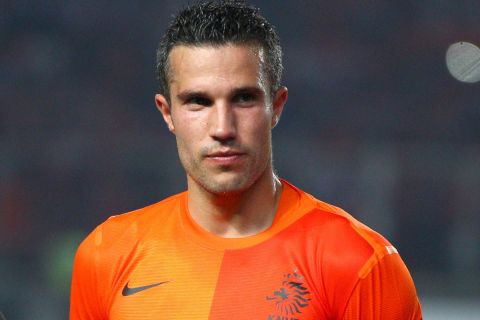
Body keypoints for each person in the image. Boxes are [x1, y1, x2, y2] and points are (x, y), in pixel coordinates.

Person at [70, 1, 422, 319]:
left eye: (243, 99)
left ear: (276, 106)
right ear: (167, 113)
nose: (222, 128)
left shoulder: (359, 263)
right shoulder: (107, 254)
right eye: (198, 101)